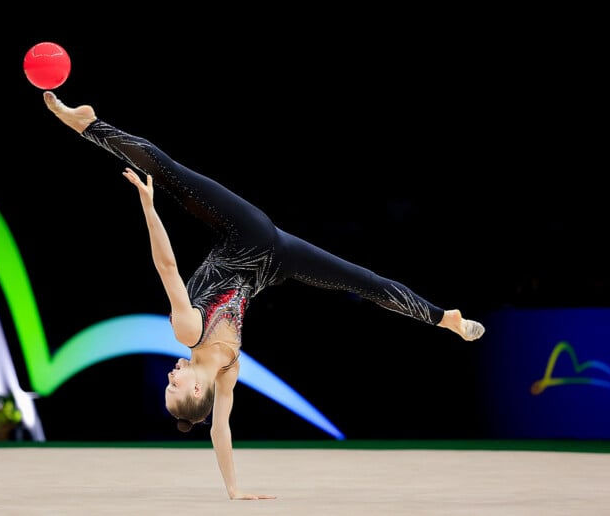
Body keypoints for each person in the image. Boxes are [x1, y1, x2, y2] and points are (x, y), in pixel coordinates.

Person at [42, 90, 485, 500]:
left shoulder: (228, 373)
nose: (170, 375)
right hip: (252, 240)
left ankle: (443, 317)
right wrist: (147, 207)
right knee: (171, 175)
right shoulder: (188, 333)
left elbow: (220, 431)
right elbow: (167, 267)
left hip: (273, 262)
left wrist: (234, 490)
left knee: (362, 281)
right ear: (197, 386)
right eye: (173, 386)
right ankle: (88, 123)